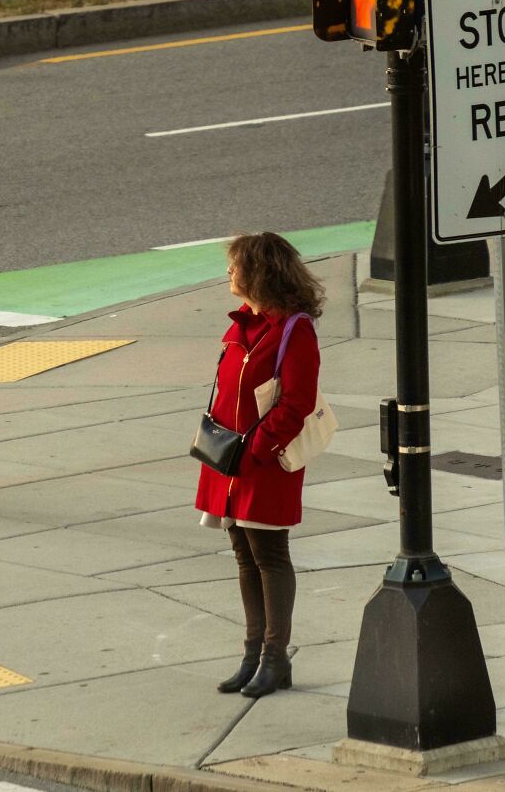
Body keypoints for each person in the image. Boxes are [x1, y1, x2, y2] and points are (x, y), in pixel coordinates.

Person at [195, 232, 325, 698]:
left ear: (259, 272)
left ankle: (275, 657)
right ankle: (252, 654)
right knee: (243, 555)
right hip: (228, 460)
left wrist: (256, 449)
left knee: (269, 556)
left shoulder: (294, 329)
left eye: (235, 266)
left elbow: (296, 403)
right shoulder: (241, 325)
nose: (229, 273)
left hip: (261, 462)